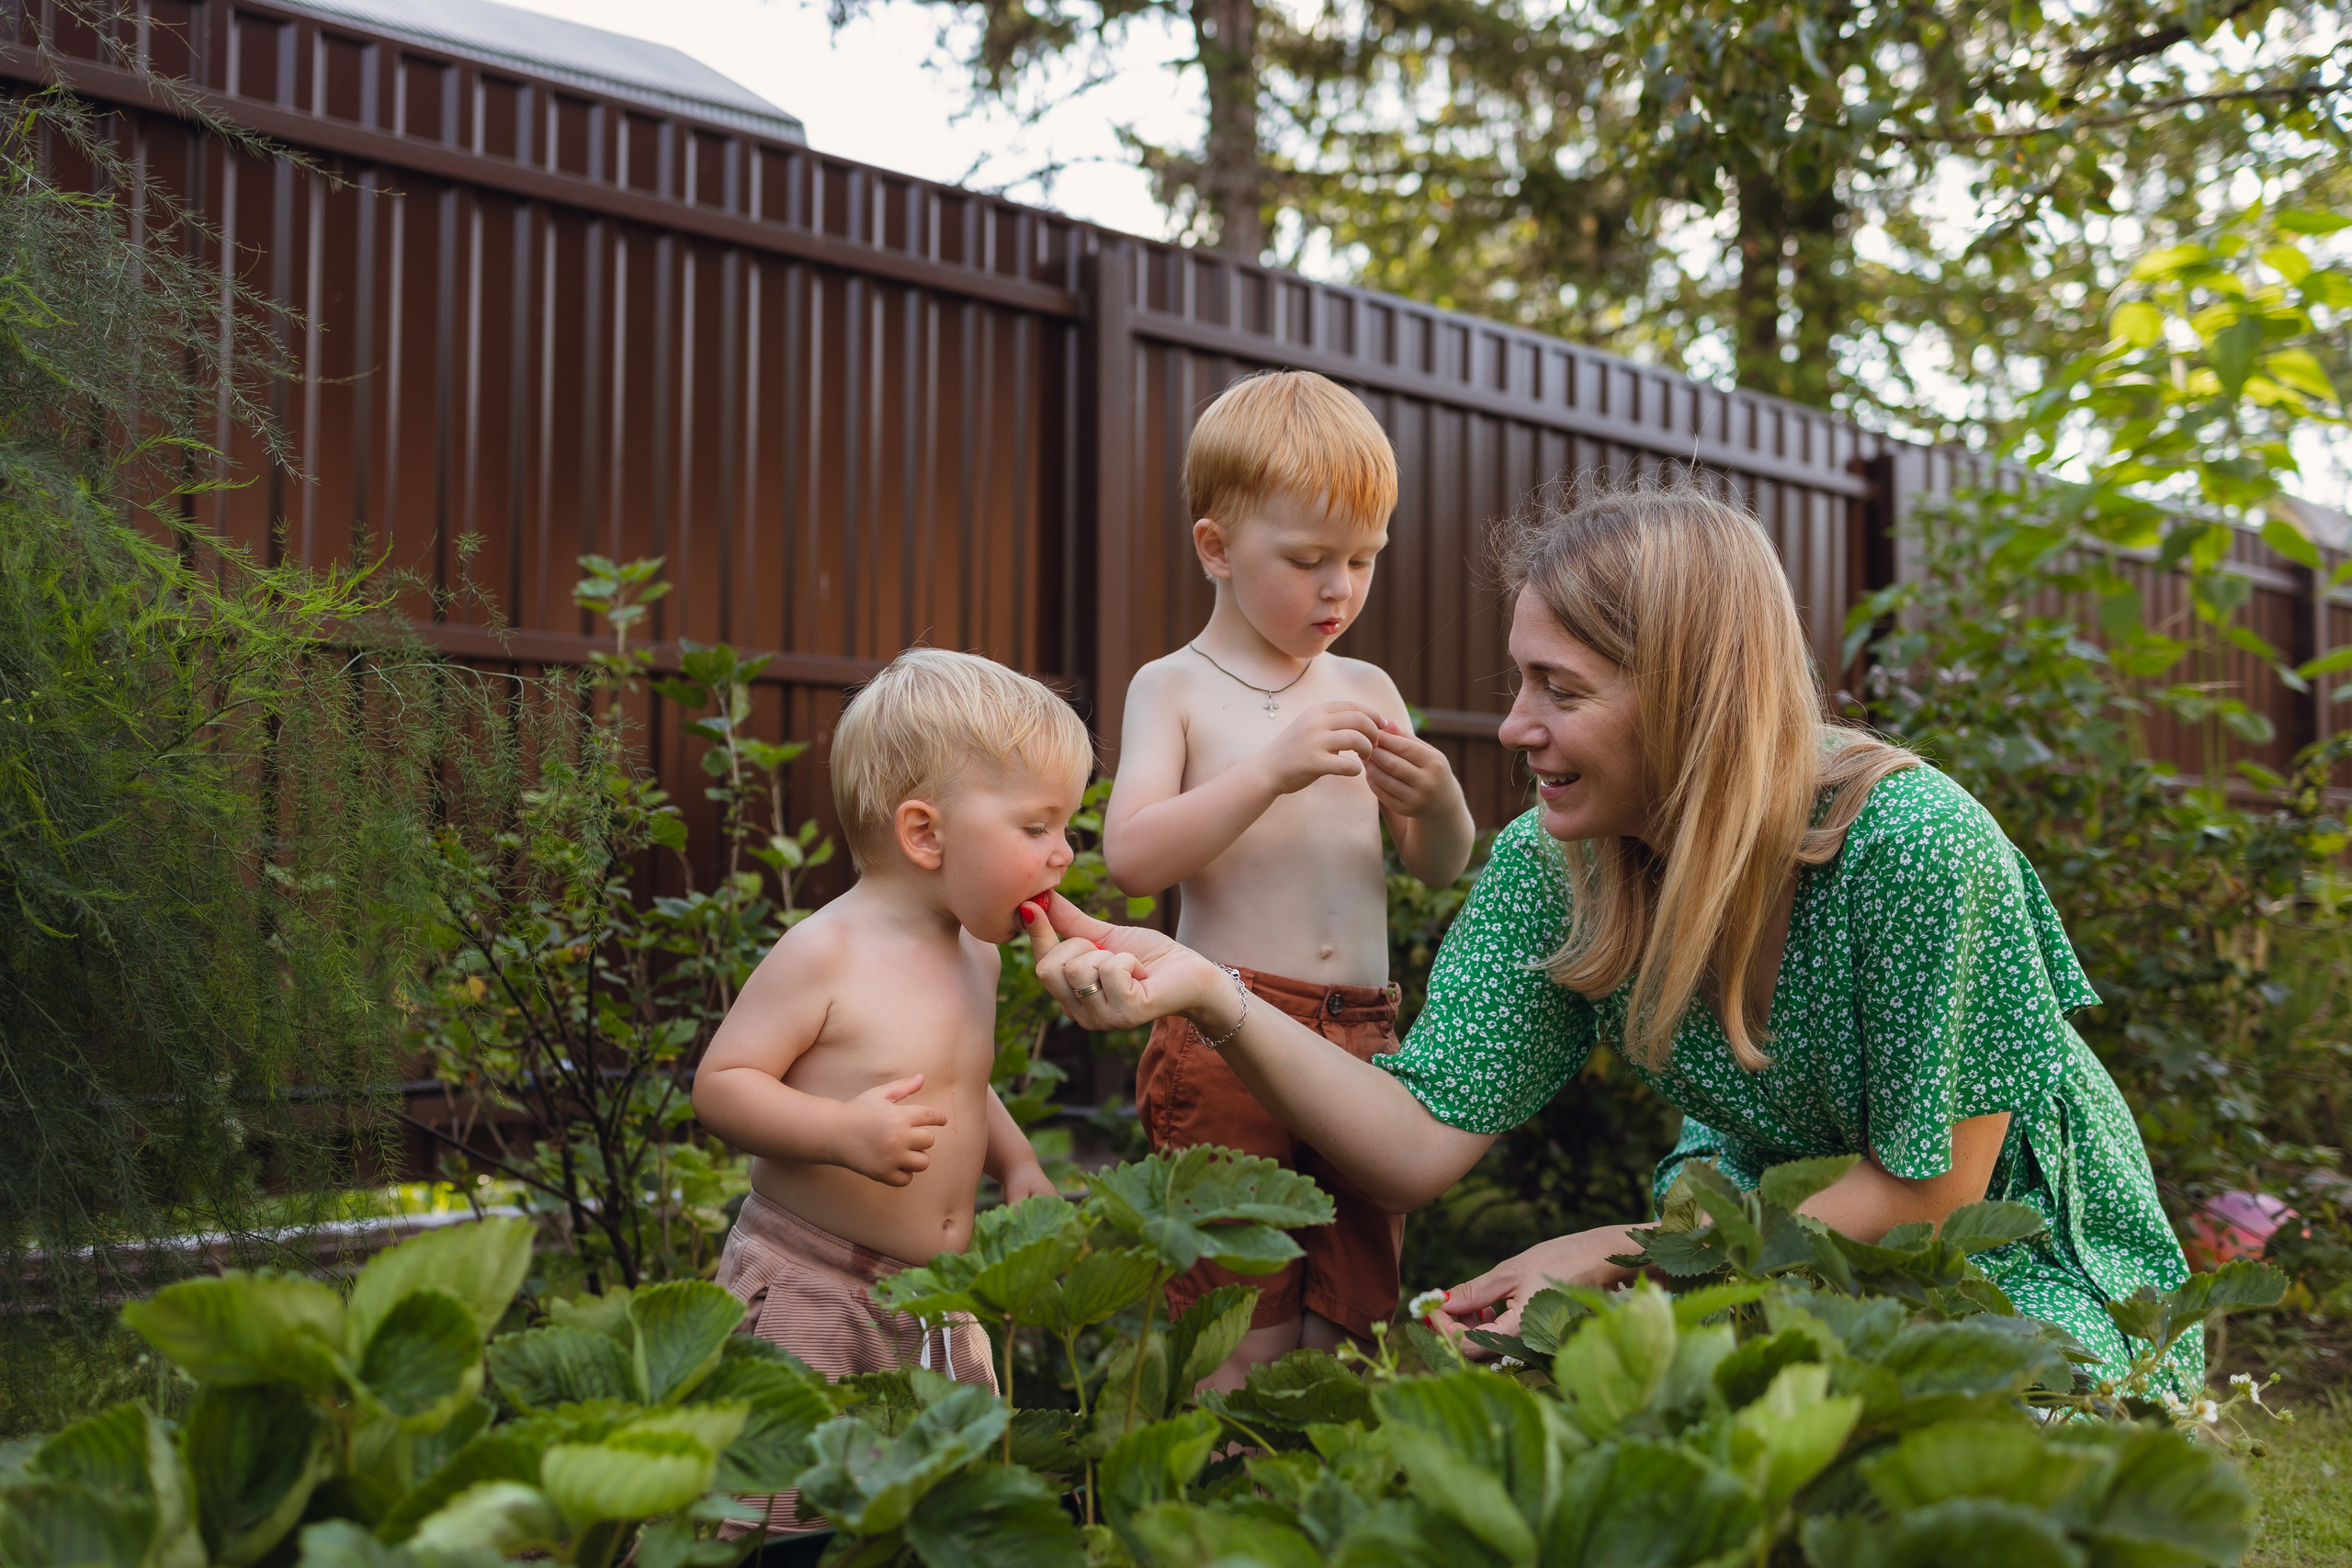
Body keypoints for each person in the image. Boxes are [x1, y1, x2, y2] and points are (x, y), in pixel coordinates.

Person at [1024, 478, 2202, 1397]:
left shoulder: (1912, 844)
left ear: (1691, 694)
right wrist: (1215, 994)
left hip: (2008, 1264)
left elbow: (1935, 1193)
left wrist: (1621, 1254)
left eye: (1560, 689)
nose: (1512, 725)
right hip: (1743, 1236)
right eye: (1520, 681)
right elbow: (1414, 1142)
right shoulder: (1560, 861)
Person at [1102, 369, 1476, 1389]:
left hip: (1363, 1035)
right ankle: (1224, 1476)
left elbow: (1433, 865)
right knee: (1236, 1321)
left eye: (1363, 558)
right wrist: (1266, 771)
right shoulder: (1174, 687)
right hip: (1230, 1031)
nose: (1338, 589)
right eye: (1308, 560)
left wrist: (1440, 800)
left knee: (1353, 1319)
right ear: (1216, 547)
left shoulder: (1366, 685)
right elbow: (1131, 857)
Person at [695, 649, 1078, 1542]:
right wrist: (838, 1129)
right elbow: (722, 1085)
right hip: (814, 1287)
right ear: (925, 834)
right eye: (1038, 826)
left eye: (1066, 826)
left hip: (932, 1298)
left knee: (926, 1514)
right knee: (782, 1511)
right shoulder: (826, 952)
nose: (1063, 851)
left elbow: (960, 1080)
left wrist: (1017, 1160)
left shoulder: (976, 953)